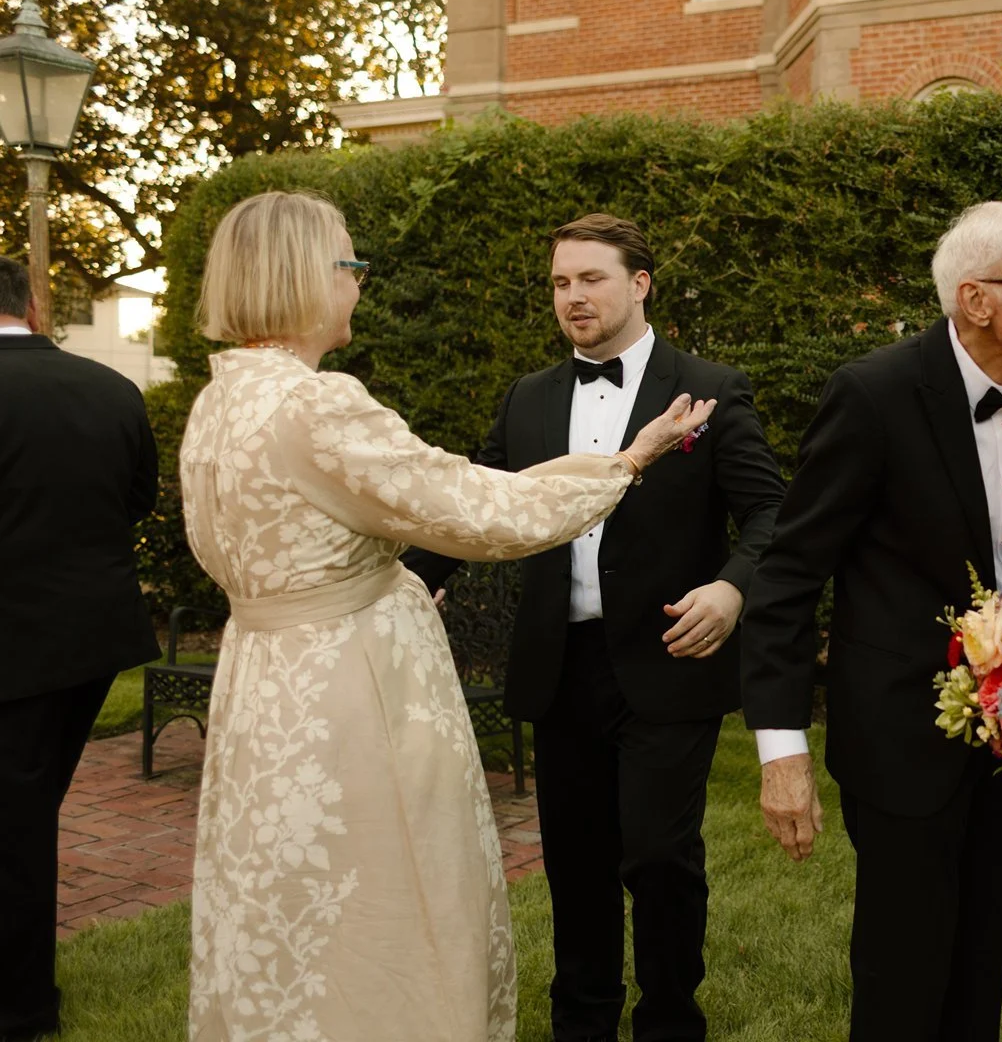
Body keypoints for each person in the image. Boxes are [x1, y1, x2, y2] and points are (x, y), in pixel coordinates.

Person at [179, 191, 713, 1042]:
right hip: (353, 696)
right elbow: (476, 508)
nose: (358, 284)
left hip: (265, 687)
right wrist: (628, 464)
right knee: (379, 894)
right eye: (349, 265)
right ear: (301, 277)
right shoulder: (316, 404)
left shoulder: (219, 402)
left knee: (290, 899)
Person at [405, 212, 785, 1042]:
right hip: (560, 664)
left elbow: (771, 517)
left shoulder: (713, 385)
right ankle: (581, 1026)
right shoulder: (529, 398)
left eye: (591, 279)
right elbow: (478, 506)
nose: (572, 297)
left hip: (667, 659)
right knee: (575, 868)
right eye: (559, 283)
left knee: (657, 858)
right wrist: (408, 582)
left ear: (640, 284)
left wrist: (730, 591)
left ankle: (670, 1022)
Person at [740, 201, 1002, 1042]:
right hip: (896, 733)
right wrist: (781, 751)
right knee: (902, 974)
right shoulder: (874, 394)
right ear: (977, 299)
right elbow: (788, 574)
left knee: (979, 965)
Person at [0, 257, 160, 1042]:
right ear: (32, 304)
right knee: (27, 810)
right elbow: (138, 500)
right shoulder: (112, 389)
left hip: (13, 651)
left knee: (17, 825)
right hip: (94, 642)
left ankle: (22, 1008)